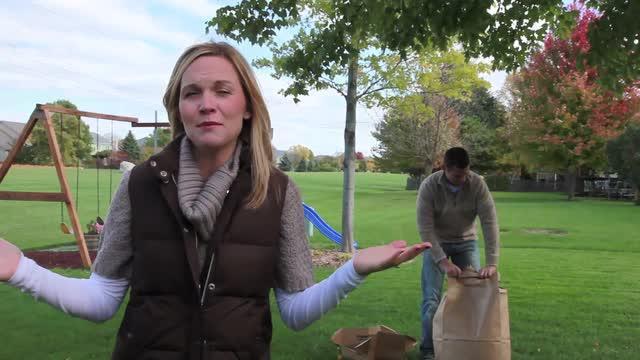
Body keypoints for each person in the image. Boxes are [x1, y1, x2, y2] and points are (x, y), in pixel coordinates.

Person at [0, 41, 430, 359]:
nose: (207, 104)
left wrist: (353, 269)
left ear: (246, 106)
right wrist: (21, 269)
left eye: (222, 91)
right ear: (179, 107)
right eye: (193, 93)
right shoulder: (139, 186)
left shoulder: (279, 192)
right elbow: (101, 301)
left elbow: (296, 312)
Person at [416, 147, 500, 360]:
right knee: (431, 300)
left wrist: (492, 261)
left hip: (467, 243)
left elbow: (489, 222)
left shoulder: (477, 184)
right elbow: (425, 229)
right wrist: (442, 261)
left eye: (465, 174)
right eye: (456, 175)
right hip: (436, 243)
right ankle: (428, 350)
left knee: (471, 297)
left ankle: (467, 347)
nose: (462, 179)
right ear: (445, 168)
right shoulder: (429, 186)